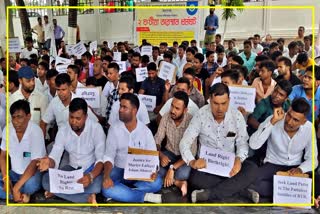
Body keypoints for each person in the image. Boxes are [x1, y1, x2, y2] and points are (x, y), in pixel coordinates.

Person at [179, 83, 257, 202]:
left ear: (229, 100)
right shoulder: (201, 114)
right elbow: (184, 142)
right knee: (195, 179)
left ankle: (209, 194)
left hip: (230, 165)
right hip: (207, 166)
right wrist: (192, 161)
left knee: (252, 168)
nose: (220, 109)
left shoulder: (236, 116)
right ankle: (242, 191)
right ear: (209, 100)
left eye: (223, 103)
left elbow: (242, 142)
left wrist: (238, 159)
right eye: (215, 103)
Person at [248, 98, 317, 202]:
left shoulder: (309, 128)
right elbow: (253, 145)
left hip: (295, 168)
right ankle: (293, 192)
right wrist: (272, 122)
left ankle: (281, 191)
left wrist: (300, 169)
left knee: (317, 182)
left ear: (304, 121)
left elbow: (313, 159)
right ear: (288, 109)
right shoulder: (274, 119)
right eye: (289, 115)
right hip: (273, 164)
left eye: (296, 120)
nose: (289, 122)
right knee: (251, 180)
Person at [38, 98, 105, 204]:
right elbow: (56, 154)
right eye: (71, 117)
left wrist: (90, 176)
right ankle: (86, 198)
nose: (73, 122)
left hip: (89, 170)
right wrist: (49, 162)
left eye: (78, 118)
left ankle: (58, 191)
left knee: (97, 186)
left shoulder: (96, 129)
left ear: (86, 117)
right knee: (46, 181)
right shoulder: (64, 130)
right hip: (71, 171)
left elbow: (100, 160)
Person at [102, 93, 163, 203]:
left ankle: (122, 192)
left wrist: (154, 170)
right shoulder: (114, 129)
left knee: (157, 182)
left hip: (139, 173)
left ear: (134, 110)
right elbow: (108, 157)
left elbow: (153, 157)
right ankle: (143, 196)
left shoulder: (145, 131)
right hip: (119, 170)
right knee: (105, 188)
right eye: (120, 106)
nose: (120, 110)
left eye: (124, 107)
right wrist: (106, 176)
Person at [0, 100, 46, 202]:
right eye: (13, 117)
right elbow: (3, 155)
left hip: (33, 174)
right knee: (4, 182)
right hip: (14, 173)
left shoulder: (36, 131)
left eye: (19, 117)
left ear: (28, 116)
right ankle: (23, 196)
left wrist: (16, 187)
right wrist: (6, 178)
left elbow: (34, 162)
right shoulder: (8, 129)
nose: (16, 121)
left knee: (30, 185)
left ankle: (16, 193)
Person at [155, 91, 196, 197]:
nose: (173, 110)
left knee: (183, 174)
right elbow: (157, 140)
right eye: (172, 106)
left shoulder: (192, 121)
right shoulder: (166, 117)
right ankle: (178, 183)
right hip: (169, 153)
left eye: (177, 108)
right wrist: (161, 154)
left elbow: (191, 152)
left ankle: (174, 178)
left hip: (184, 158)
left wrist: (172, 168)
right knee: (154, 168)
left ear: (185, 110)